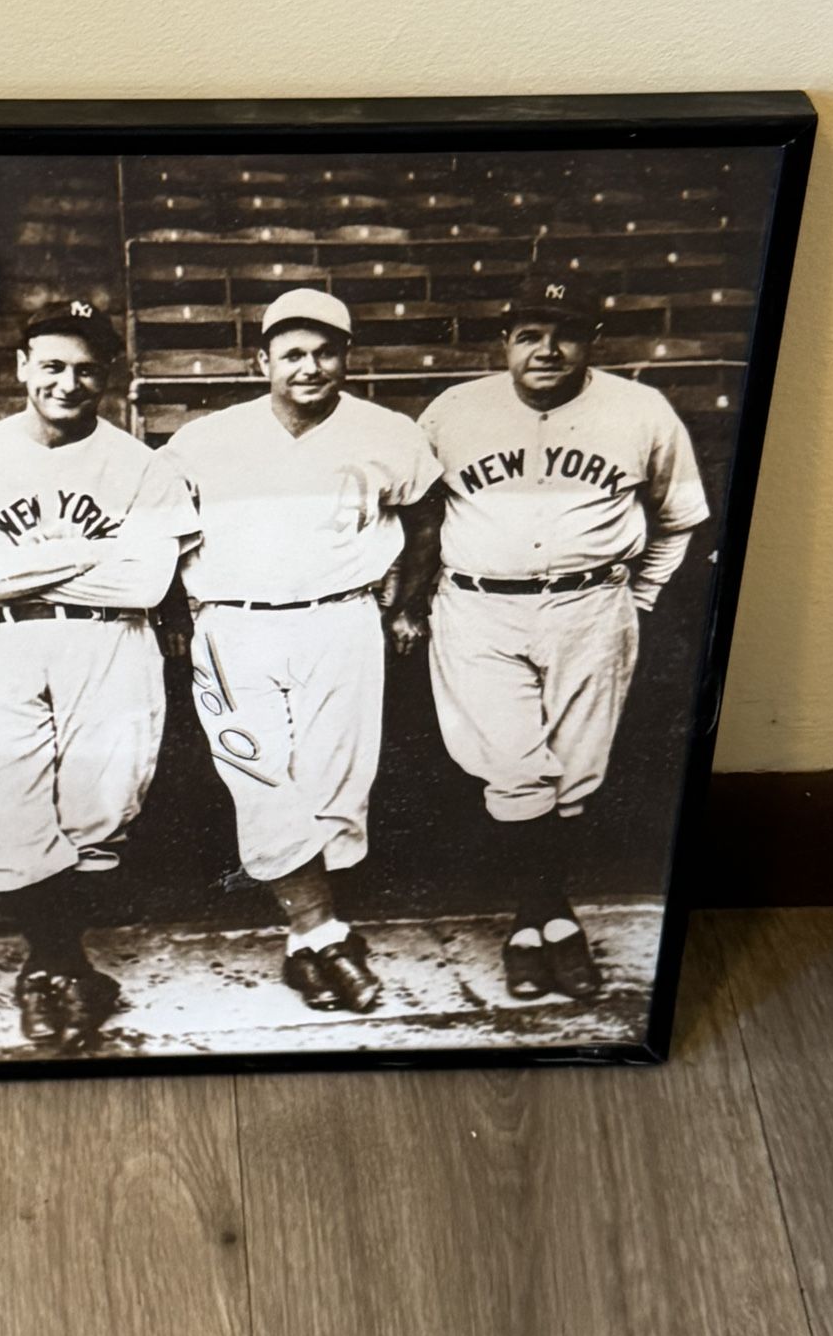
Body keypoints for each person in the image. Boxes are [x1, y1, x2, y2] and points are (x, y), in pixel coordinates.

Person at [0, 300, 197, 1051]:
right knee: (5, 807)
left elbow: (144, 585)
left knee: (100, 813)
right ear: (21, 367)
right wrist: (92, 558)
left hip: (111, 645)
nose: (68, 383)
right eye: (53, 365)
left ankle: (58, 967)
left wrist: (24, 570)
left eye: (86, 369)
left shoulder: (141, 465)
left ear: (108, 374)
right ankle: (57, 966)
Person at [418, 270, 710, 1001]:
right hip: (480, 608)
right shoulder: (453, 411)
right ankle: (545, 917)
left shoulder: (642, 410)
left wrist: (637, 598)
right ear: (505, 343)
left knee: (574, 775)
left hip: (593, 608)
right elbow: (417, 516)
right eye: (529, 335)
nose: (547, 350)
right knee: (516, 770)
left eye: (566, 333)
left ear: (592, 341)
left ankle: (535, 923)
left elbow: (678, 517)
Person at [164, 288, 443, 1014]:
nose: (310, 366)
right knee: (258, 774)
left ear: (347, 357)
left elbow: (425, 515)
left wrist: (407, 604)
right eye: (292, 353)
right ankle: (322, 932)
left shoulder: (388, 431)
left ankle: (306, 945)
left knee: (335, 780)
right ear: (261, 361)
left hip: (341, 620)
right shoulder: (205, 438)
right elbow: (157, 523)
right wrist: (174, 617)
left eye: (326, 351)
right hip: (233, 624)